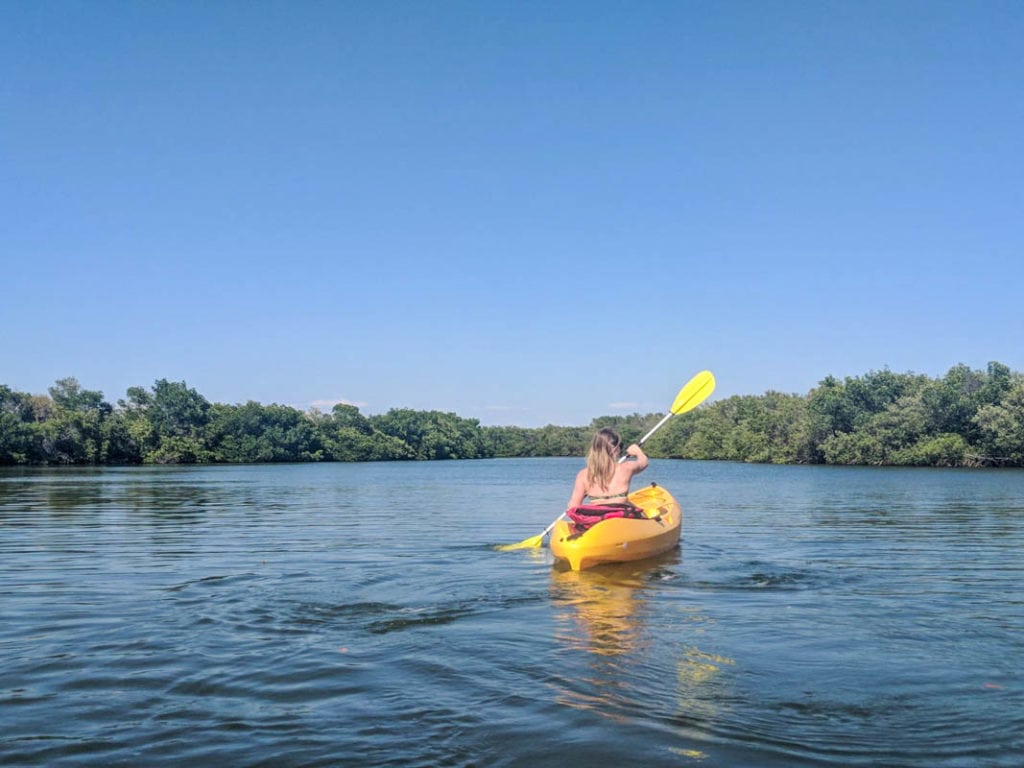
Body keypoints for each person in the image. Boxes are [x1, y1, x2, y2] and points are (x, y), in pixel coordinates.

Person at [567, 427, 649, 512]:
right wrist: (637, 451)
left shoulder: (583, 475)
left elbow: (573, 507)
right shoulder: (627, 468)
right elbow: (644, 462)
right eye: (620, 446)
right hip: (621, 518)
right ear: (616, 449)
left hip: (599, 520)